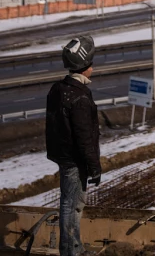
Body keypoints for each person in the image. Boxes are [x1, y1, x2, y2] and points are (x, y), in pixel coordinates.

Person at [46, 35, 101, 256]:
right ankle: (71, 251)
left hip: (64, 156)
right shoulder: (79, 98)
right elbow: (84, 137)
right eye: (91, 63)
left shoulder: (58, 89)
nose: (93, 67)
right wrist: (94, 167)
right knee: (72, 206)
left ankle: (74, 248)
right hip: (74, 161)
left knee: (70, 204)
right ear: (86, 67)